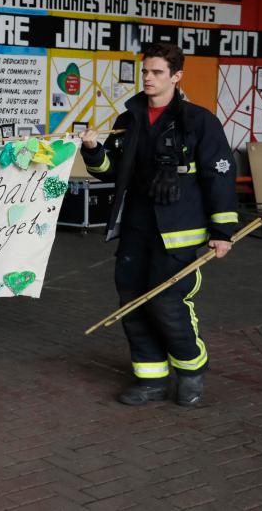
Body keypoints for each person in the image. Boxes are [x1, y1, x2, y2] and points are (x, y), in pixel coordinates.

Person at [80, 43, 238, 407]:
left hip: (178, 233)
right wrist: (93, 150)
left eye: (157, 72)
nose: (148, 78)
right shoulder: (128, 119)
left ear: (176, 76)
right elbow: (113, 173)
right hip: (136, 229)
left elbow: (219, 177)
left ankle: (191, 371)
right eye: (145, 72)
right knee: (132, 302)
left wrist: (222, 231)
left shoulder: (199, 121)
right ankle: (150, 378)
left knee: (167, 302)